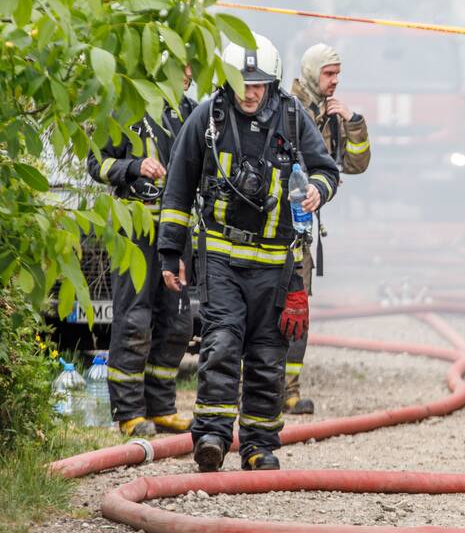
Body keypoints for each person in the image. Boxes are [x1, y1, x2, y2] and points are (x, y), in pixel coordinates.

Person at [158, 34, 340, 472]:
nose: (250, 91)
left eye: (258, 83)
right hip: (221, 256)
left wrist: (316, 189)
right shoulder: (208, 118)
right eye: (242, 81)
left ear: (273, 83)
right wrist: (170, 252)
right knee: (220, 344)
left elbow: (327, 169)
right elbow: (178, 187)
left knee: (267, 354)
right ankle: (213, 439)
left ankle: (259, 446)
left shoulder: (293, 119)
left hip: (277, 263)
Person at [86, 69, 198, 437]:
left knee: (177, 323)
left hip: (177, 232)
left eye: (190, 69)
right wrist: (135, 167)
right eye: (180, 69)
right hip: (134, 231)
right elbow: (96, 164)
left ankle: (161, 407)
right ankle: (129, 412)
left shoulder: (191, 113)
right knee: (134, 321)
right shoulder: (126, 108)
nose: (188, 75)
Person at [282, 43, 372, 414]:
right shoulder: (287, 109)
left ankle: (287, 390)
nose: (335, 81)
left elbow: (354, 164)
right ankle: (258, 388)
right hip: (275, 226)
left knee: (298, 309)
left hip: (302, 229)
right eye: (329, 74)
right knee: (266, 310)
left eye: (337, 73)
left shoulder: (333, 116)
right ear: (311, 73)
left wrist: (353, 122)